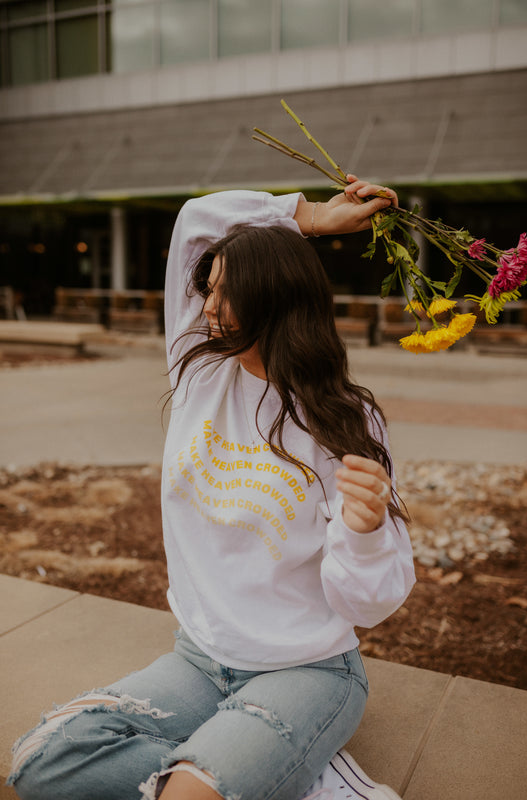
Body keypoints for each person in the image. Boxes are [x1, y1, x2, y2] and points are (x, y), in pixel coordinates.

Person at [8, 176, 415, 800]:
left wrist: (362, 536)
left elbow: (367, 605)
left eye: (225, 294)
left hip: (306, 672)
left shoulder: (344, 419)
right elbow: (197, 218)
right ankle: (263, 770)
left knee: (187, 795)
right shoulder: (200, 369)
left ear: (271, 302)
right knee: (41, 762)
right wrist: (310, 216)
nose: (205, 306)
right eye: (208, 288)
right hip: (198, 662)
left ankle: (239, 766)